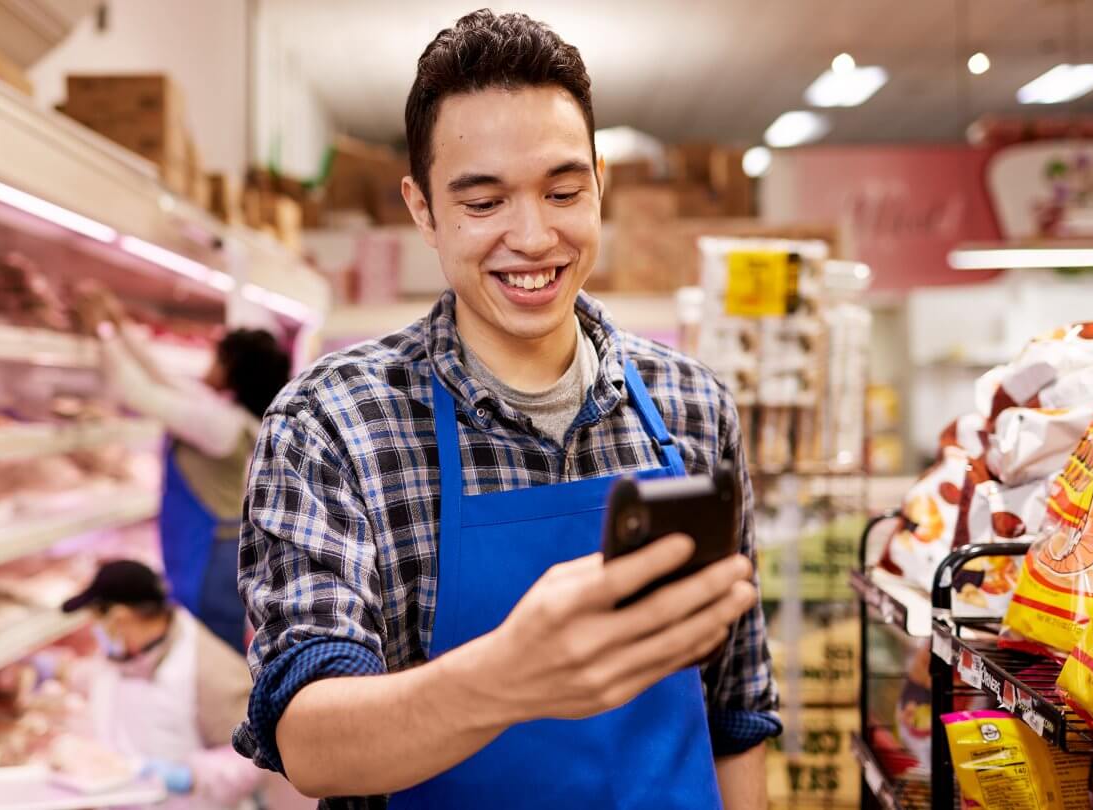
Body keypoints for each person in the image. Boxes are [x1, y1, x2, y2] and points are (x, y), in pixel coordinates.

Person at [232, 11, 779, 809]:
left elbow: (735, 707)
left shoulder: (694, 405)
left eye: (563, 191)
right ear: (422, 210)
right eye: (484, 203)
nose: (534, 236)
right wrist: (507, 677)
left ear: (600, 180)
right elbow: (307, 738)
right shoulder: (332, 425)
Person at [90, 295, 292, 653]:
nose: (210, 362)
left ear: (234, 369)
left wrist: (101, 331)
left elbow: (137, 392)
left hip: (208, 554)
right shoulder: (226, 414)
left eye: (218, 356)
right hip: (212, 546)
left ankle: (223, 707)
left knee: (207, 649)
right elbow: (162, 378)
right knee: (208, 643)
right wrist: (120, 326)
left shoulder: (218, 424)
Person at [60, 559, 263, 809]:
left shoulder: (210, 668)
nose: (95, 630)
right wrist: (52, 669)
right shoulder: (124, 652)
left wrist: (191, 777)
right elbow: (99, 681)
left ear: (119, 617)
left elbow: (253, 756)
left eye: (96, 621)